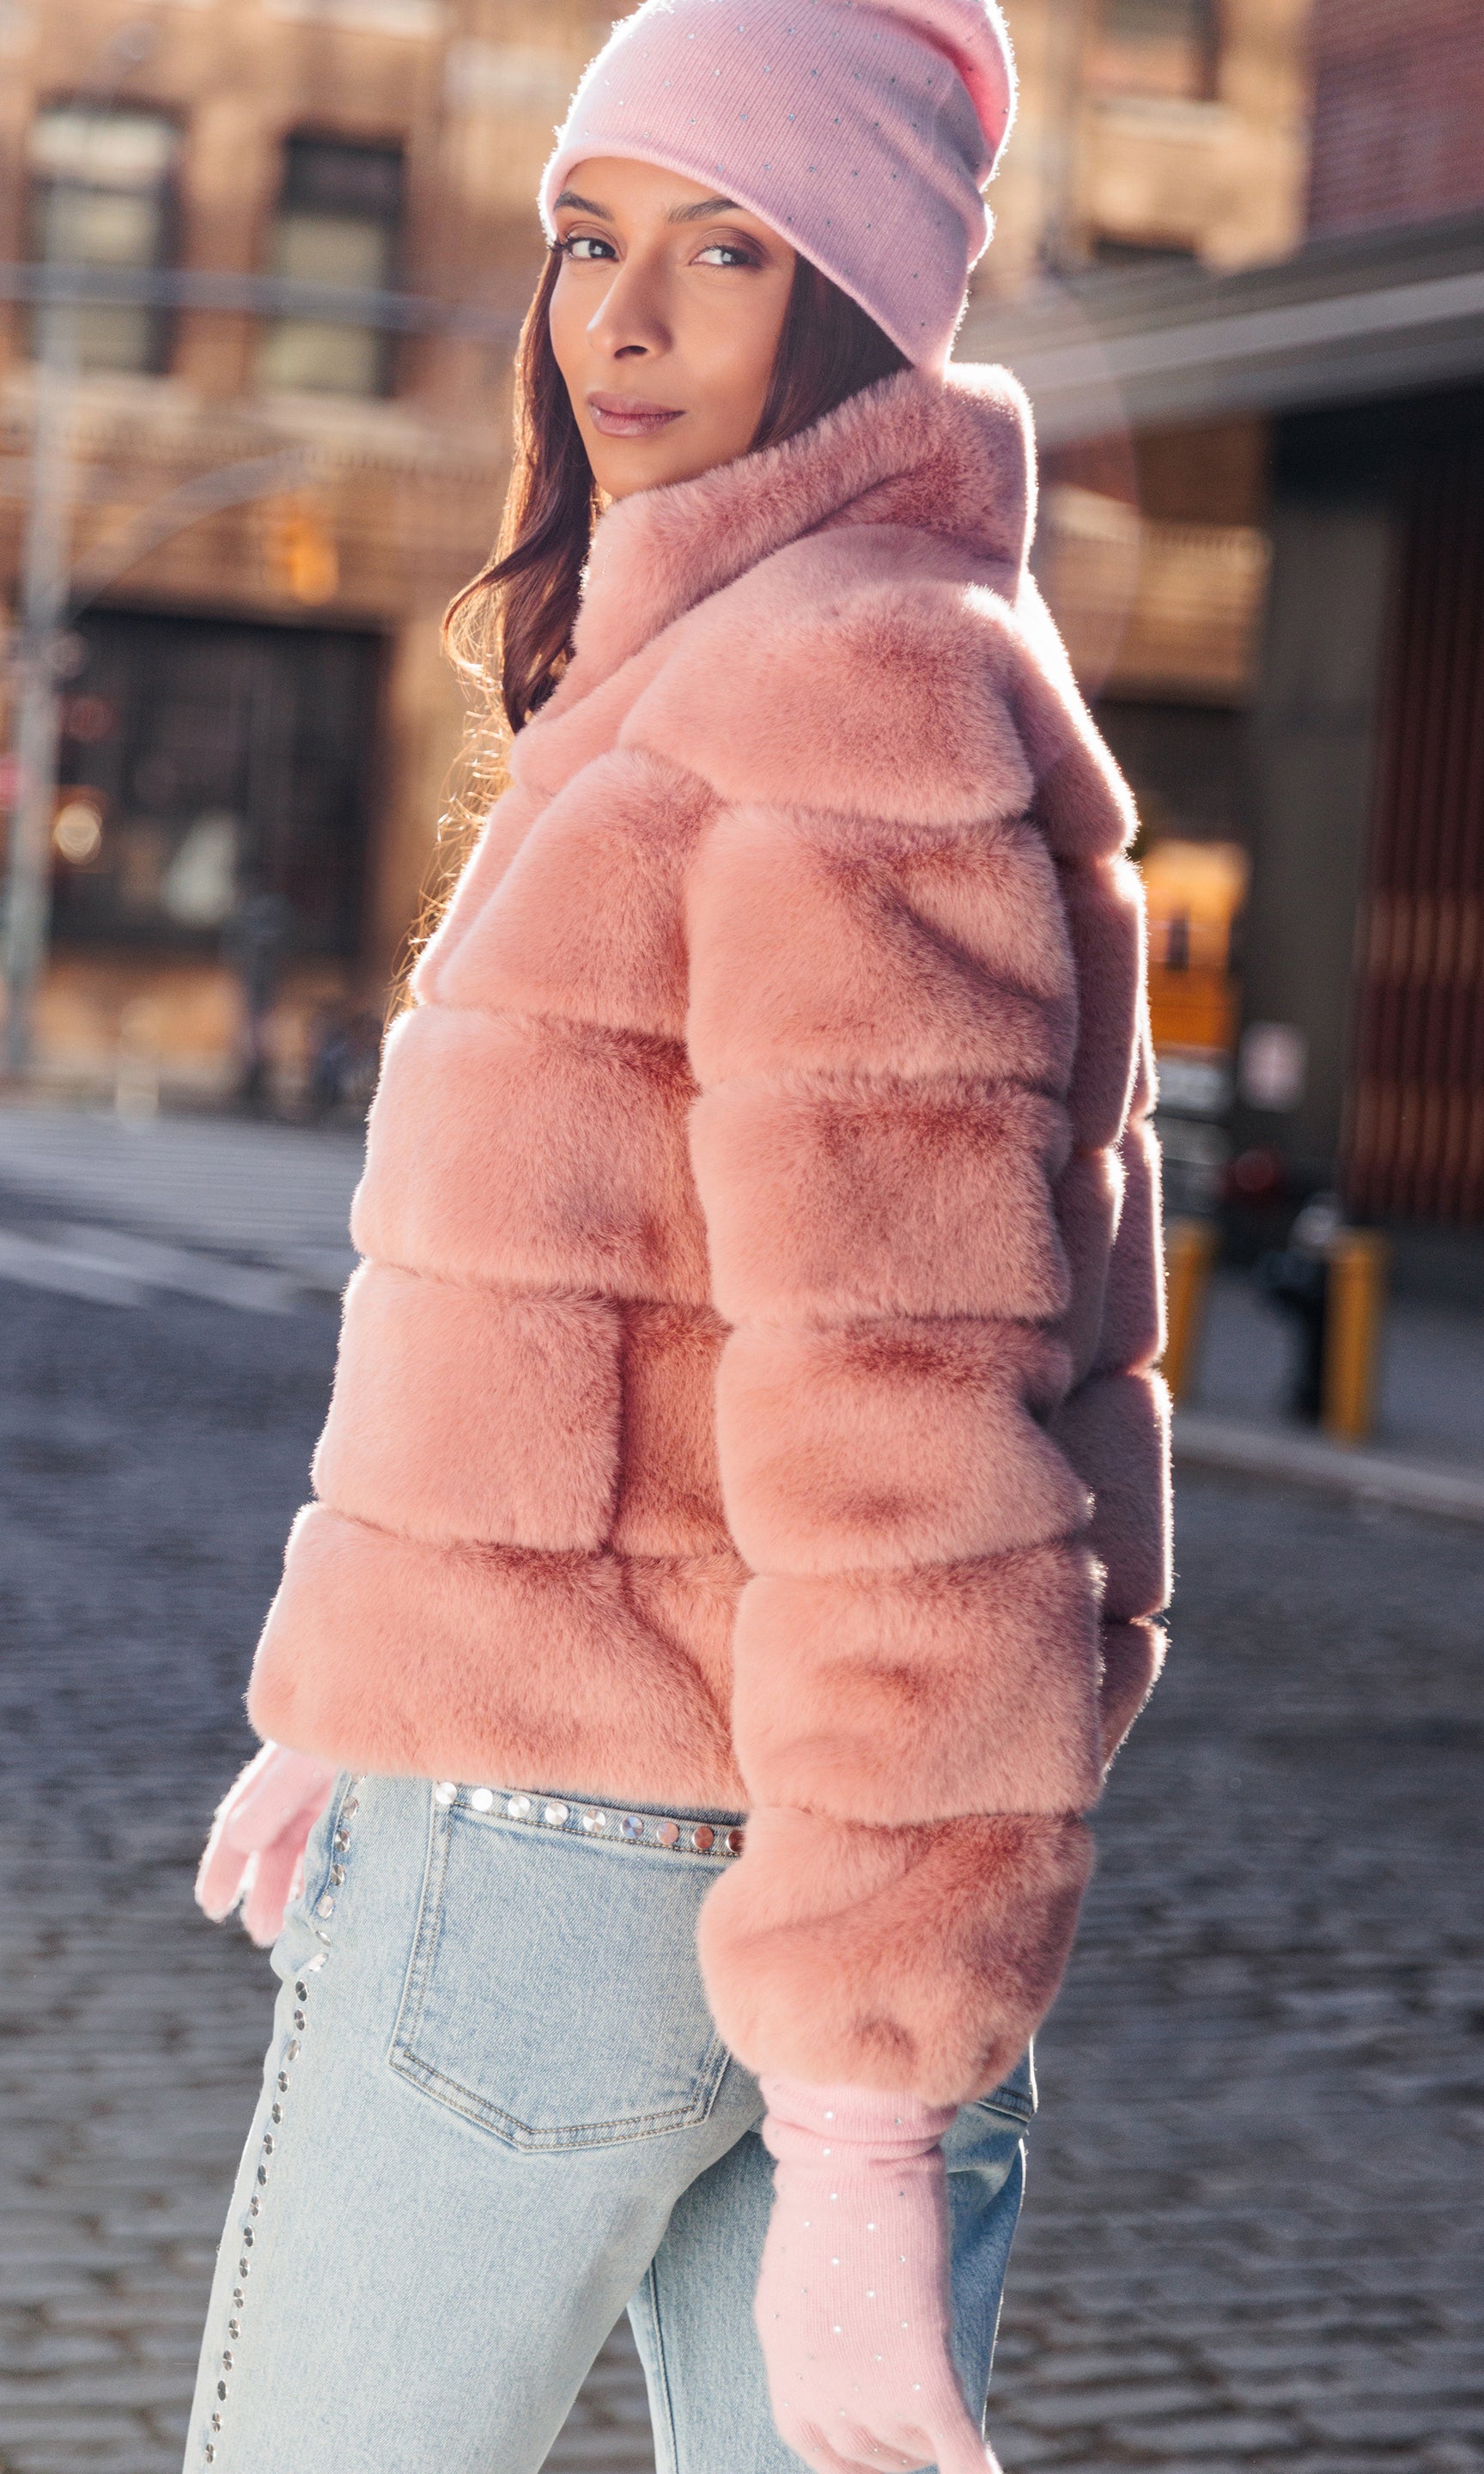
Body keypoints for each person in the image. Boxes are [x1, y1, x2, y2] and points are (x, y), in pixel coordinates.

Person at [188, 3, 1171, 2468]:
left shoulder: (821, 685)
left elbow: (903, 1426)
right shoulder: (835, 654)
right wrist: (360, 1691)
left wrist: (854, 2136)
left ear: (860, 294)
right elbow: (600, 1317)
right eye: (586, 243)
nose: (619, 324)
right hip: (798, 1866)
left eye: (727, 250)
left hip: (569, 1873)